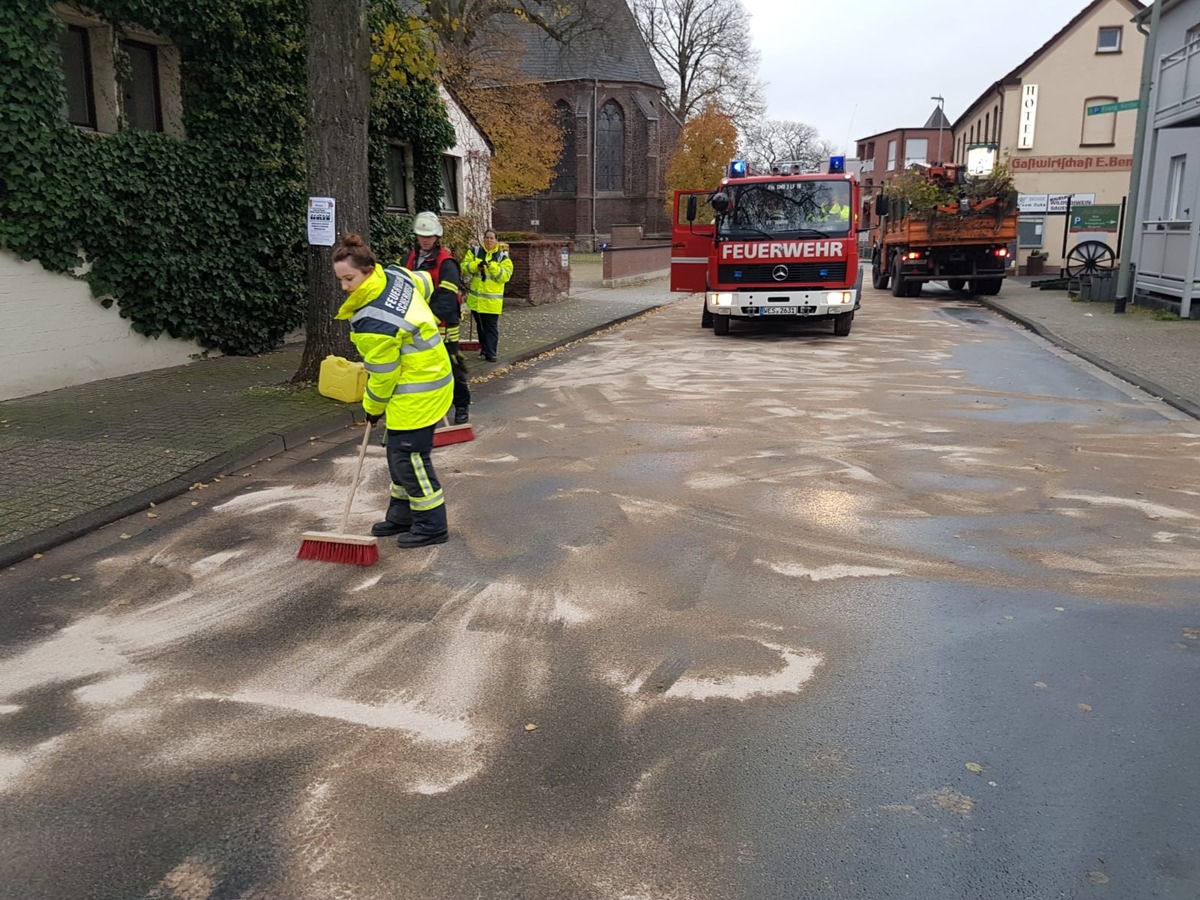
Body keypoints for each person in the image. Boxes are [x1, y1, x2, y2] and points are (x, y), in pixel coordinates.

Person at [332, 232, 453, 548]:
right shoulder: (396, 275)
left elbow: (383, 375)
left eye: (349, 279)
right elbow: (425, 281)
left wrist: (371, 406)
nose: (345, 287)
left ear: (368, 271)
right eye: (341, 280)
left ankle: (432, 525)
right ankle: (403, 517)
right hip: (430, 377)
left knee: (409, 458)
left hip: (418, 390)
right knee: (397, 455)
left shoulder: (372, 320)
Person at [403, 211, 470, 425]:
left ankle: (461, 406)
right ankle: (429, 410)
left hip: (442, 327)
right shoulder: (408, 260)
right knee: (421, 371)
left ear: (437, 237)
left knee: (451, 367)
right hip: (415, 327)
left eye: (429, 236)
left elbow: (447, 298)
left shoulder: (447, 263)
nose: (425, 239)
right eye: (422, 235)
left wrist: (428, 319)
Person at [461, 229, 513, 362]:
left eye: (492, 238)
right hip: (476, 301)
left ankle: (491, 353)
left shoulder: (502, 258)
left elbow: (505, 276)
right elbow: (464, 266)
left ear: (496, 240)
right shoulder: (475, 252)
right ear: (483, 239)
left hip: (491, 302)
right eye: (487, 237)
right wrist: (476, 266)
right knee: (481, 326)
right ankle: (484, 348)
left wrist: (492, 267)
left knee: (491, 327)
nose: (489, 240)